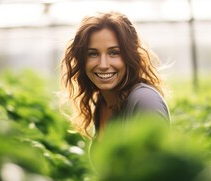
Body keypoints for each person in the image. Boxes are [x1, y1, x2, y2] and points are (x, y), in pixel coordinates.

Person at [60, 11, 170, 139]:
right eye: (93, 54)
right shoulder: (102, 103)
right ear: (82, 60)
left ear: (130, 56)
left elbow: (157, 158)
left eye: (114, 53)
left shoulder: (144, 100)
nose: (103, 65)